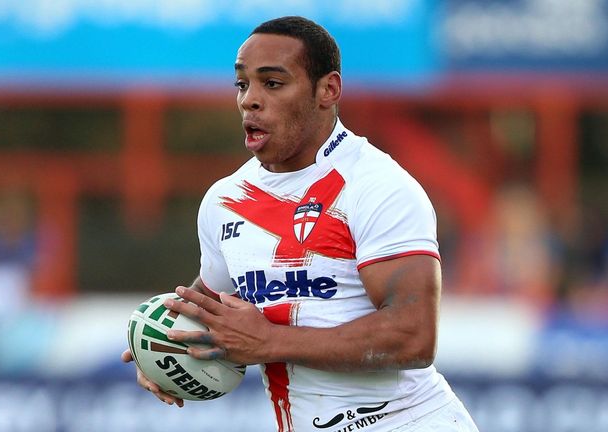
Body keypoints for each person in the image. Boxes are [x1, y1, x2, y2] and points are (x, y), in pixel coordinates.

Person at [121, 16, 479, 432]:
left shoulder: (378, 186)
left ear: (328, 90)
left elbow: (412, 336)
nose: (249, 100)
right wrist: (163, 347)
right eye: (243, 84)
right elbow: (212, 308)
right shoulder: (223, 201)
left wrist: (269, 342)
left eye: (272, 84)